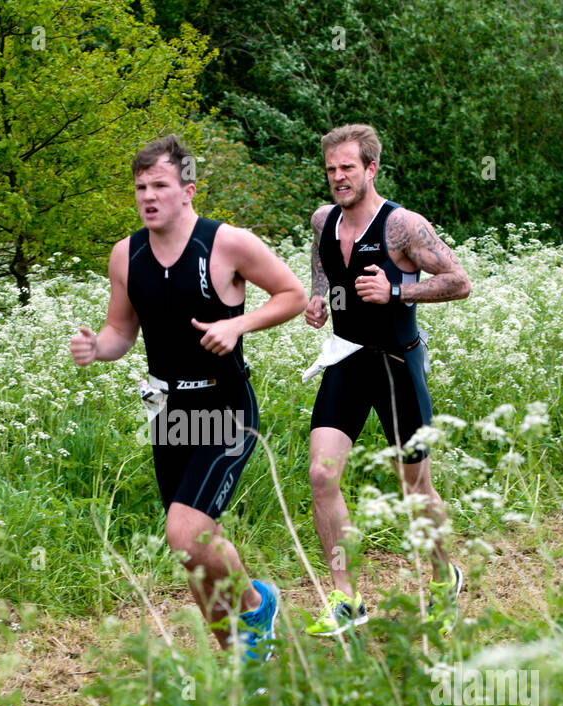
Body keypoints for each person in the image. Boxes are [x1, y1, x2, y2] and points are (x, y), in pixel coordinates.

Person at [70, 135, 307, 656]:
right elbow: (120, 334)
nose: (148, 196)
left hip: (225, 405)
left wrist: (238, 324)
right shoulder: (125, 254)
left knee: (185, 531)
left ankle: (253, 609)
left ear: (188, 191)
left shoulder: (227, 243)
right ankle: (241, 651)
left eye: (160, 185)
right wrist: (96, 349)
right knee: (192, 551)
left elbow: (293, 295)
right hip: (168, 411)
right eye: (140, 187)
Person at [303, 124, 471, 637]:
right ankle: (347, 600)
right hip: (347, 360)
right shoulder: (322, 220)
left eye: (348, 168)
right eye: (331, 169)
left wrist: (399, 291)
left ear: (371, 169)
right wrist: (318, 297)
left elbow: (460, 282)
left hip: (397, 364)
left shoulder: (402, 226)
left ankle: (445, 578)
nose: (338, 178)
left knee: (413, 484)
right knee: (321, 476)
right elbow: (322, 263)